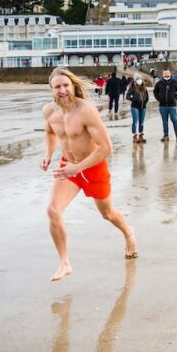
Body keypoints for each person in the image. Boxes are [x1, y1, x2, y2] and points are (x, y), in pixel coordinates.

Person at [42, 67, 137, 281]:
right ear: (51, 90)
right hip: (69, 167)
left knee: (108, 214)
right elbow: (50, 132)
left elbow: (106, 148)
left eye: (66, 85)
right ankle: (65, 263)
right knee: (53, 211)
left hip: (93, 166)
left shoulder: (85, 110)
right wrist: (48, 155)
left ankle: (129, 234)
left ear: (73, 86)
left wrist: (78, 168)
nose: (63, 90)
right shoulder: (49, 112)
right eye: (57, 87)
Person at [153, 69, 177, 142]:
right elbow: (155, 91)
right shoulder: (159, 83)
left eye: (168, 73)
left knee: (174, 119)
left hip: (172, 105)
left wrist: (176, 97)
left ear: (170, 74)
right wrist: (158, 99)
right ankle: (166, 135)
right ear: (163, 74)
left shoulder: (174, 82)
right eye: (165, 73)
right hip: (162, 105)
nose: (166, 74)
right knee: (164, 121)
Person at [126, 76, 149, 143]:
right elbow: (127, 96)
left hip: (143, 107)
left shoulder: (144, 88)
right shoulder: (132, 87)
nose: (139, 81)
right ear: (135, 81)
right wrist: (133, 100)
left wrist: (144, 102)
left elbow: (147, 97)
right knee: (135, 122)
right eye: (138, 80)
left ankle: (141, 135)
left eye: (140, 79)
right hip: (135, 107)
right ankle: (134, 136)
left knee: (141, 122)